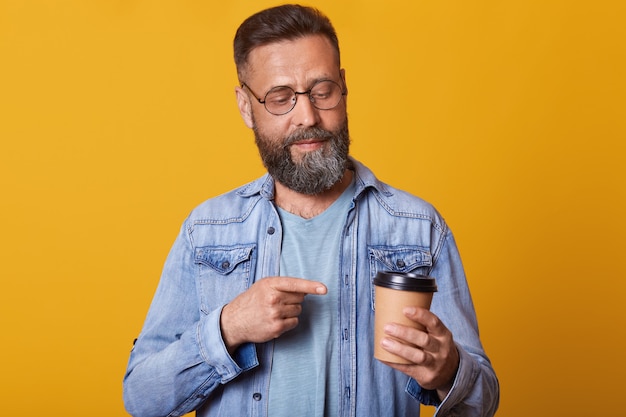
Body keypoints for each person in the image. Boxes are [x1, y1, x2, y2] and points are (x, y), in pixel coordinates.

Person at [122, 4, 499, 417]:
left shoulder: (417, 228)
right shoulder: (207, 231)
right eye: (281, 98)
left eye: (322, 91)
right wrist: (230, 326)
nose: (308, 116)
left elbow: (483, 399)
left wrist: (449, 369)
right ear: (246, 106)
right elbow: (143, 398)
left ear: (344, 87)